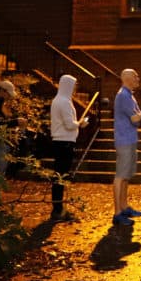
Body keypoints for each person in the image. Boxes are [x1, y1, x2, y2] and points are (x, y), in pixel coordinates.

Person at [50, 74, 90, 219]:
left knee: (59, 174)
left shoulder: (58, 100)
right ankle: (58, 209)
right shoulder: (64, 102)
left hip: (60, 140)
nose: (74, 89)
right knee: (62, 174)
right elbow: (69, 124)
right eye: (73, 86)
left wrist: (77, 123)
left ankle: (58, 207)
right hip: (65, 141)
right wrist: (80, 123)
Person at [113, 68, 141, 226]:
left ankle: (124, 207)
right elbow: (135, 118)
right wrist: (139, 117)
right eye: (135, 76)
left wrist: (139, 117)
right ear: (127, 78)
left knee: (126, 175)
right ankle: (117, 212)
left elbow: (140, 117)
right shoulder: (124, 96)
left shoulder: (129, 95)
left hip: (130, 138)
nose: (138, 78)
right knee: (120, 176)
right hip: (124, 139)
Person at [0, 80, 26, 175]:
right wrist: (16, 122)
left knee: (0, 167)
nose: (9, 97)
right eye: (8, 94)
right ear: (2, 91)